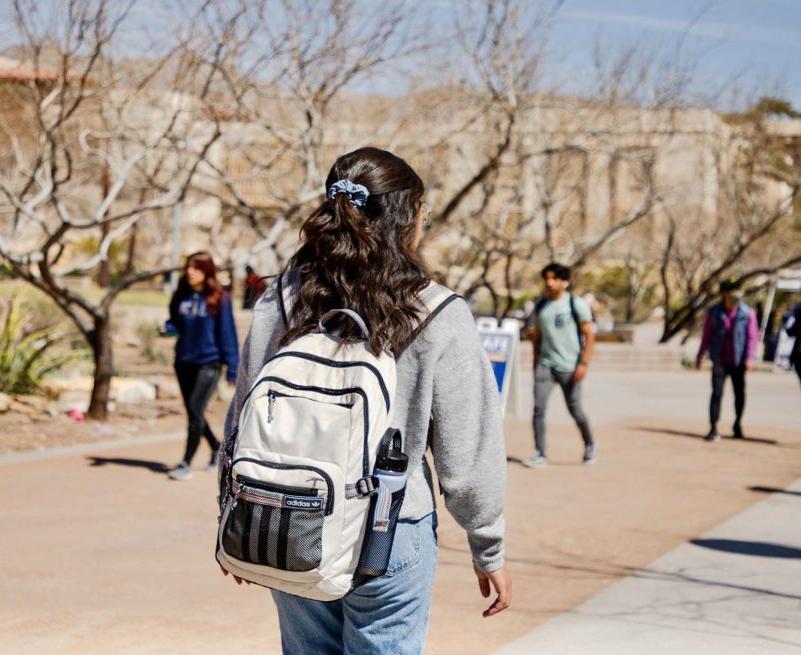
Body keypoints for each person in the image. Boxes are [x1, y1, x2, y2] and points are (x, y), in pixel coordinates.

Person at [221, 147, 511, 654]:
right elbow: (469, 452)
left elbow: (243, 419)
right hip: (390, 525)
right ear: (407, 218)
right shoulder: (436, 311)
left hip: (292, 513)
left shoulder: (281, 298)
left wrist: (239, 516)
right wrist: (489, 548)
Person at [163, 251, 239, 480]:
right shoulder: (181, 295)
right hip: (183, 361)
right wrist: (168, 327)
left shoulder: (219, 297)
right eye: (188, 267)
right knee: (194, 412)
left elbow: (228, 334)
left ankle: (186, 462)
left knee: (195, 410)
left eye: (196, 268)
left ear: (207, 272)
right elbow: (174, 320)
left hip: (210, 363)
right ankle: (216, 447)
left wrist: (232, 368)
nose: (190, 272)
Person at [524, 263, 596, 468]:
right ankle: (540, 453)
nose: (549, 282)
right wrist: (535, 364)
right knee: (538, 409)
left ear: (565, 281)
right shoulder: (540, 307)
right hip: (545, 365)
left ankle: (590, 444)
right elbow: (536, 338)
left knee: (575, 409)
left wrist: (583, 363)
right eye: (546, 278)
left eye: (554, 278)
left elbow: (589, 335)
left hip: (571, 366)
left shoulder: (576, 304)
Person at [695, 278, 759, 441]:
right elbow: (706, 335)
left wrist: (749, 358)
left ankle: (737, 424)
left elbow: (752, 337)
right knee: (716, 393)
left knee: (739, 394)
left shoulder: (747, 312)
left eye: (738, 290)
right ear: (724, 294)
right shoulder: (714, 312)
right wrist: (700, 354)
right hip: (720, 359)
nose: (736, 293)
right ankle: (713, 428)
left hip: (738, 361)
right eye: (732, 290)